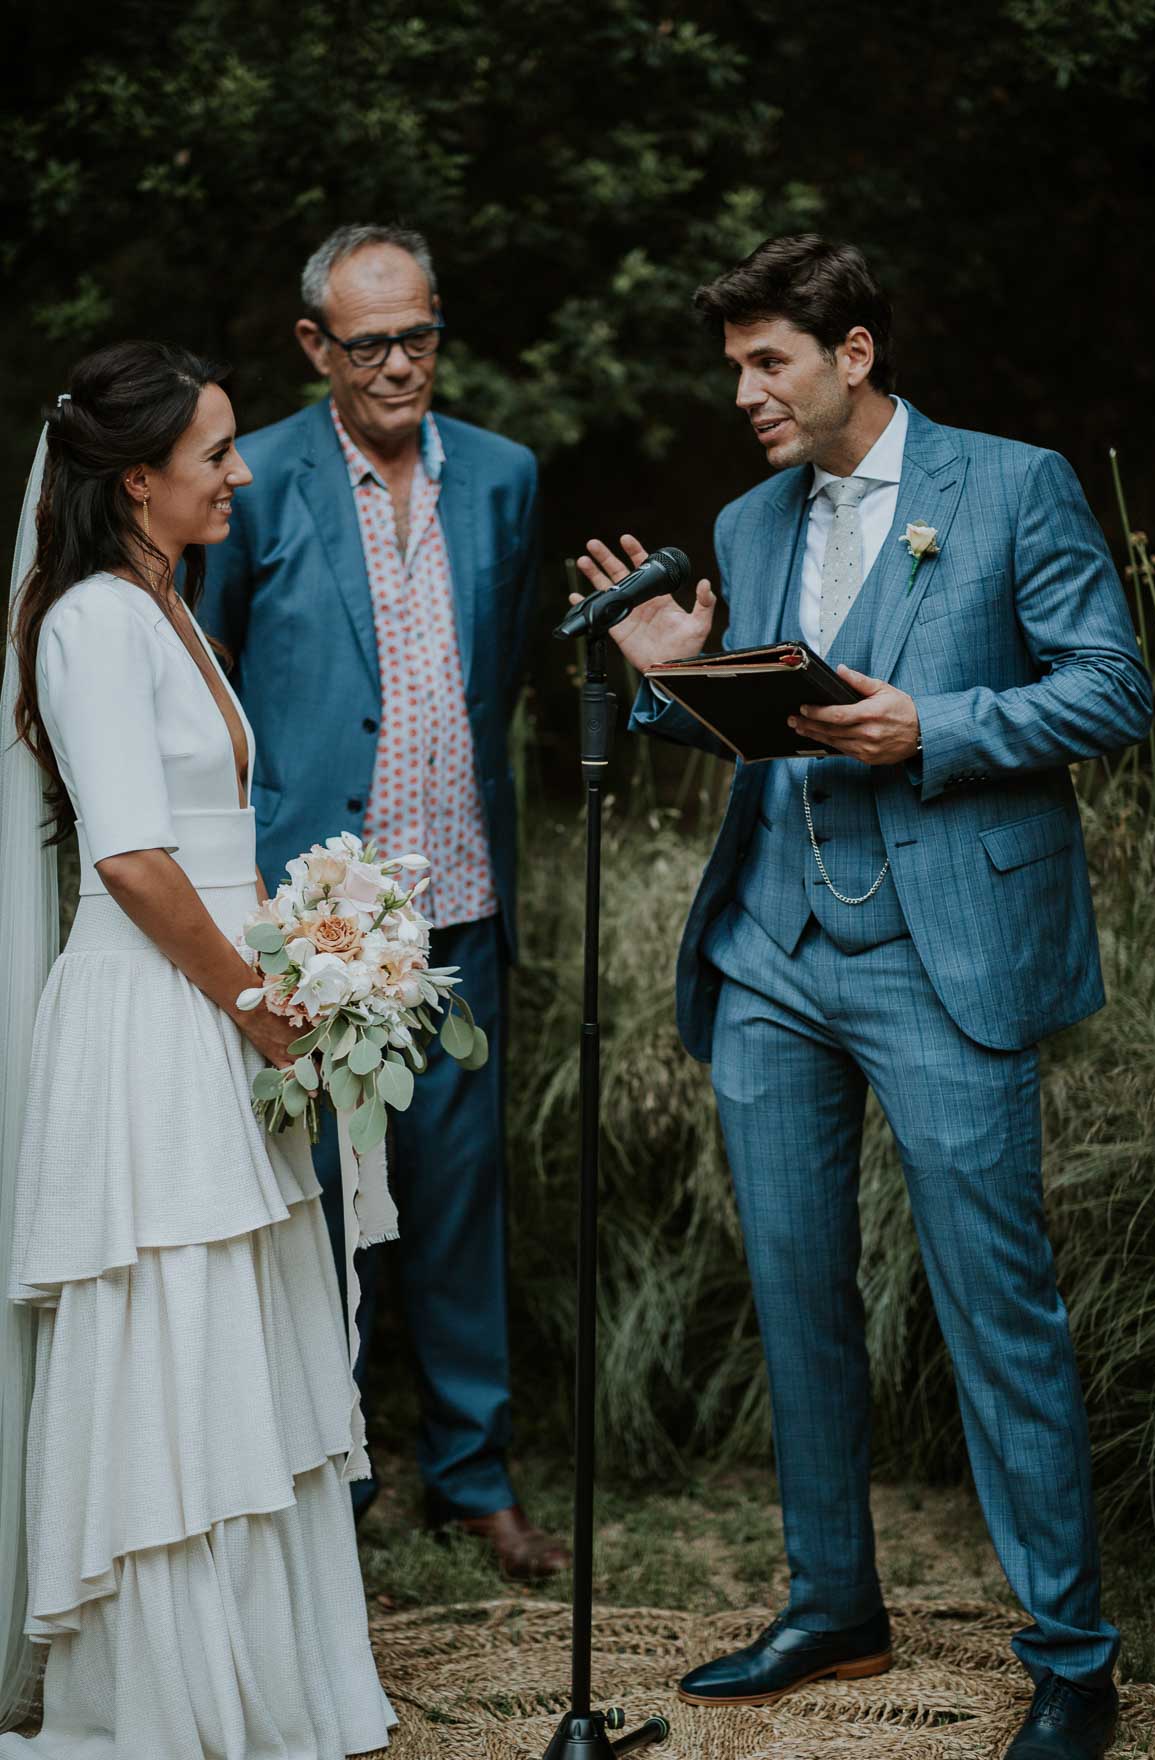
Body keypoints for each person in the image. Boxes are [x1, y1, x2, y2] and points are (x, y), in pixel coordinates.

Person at [572, 235, 1151, 1760]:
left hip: (943, 955)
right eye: (736, 368)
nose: (746, 393)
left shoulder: (1009, 486)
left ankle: (1071, 1658)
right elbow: (769, 728)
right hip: (770, 949)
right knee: (794, 1291)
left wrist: (939, 724)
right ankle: (833, 1600)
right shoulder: (747, 519)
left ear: (854, 353)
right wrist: (675, 678)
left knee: (995, 1305)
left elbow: (1112, 685)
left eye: (769, 363)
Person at [0, 341, 394, 1756]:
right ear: (132, 476)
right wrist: (253, 999)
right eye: (215, 452)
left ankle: (263, 1671)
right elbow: (131, 858)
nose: (238, 472)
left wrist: (318, 954)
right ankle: (166, 1696)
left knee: (236, 1337)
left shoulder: (168, 605)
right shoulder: (93, 622)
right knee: (173, 1335)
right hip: (162, 1013)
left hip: (218, 1002)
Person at [201, 223, 567, 1578]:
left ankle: (474, 1474)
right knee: (317, 1212)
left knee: (461, 1204)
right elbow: (213, 670)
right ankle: (325, 1469)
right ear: (316, 347)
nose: (402, 364)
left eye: (420, 335)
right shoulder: (260, 475)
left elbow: (504, 666)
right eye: (371, 344)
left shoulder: (506, 475)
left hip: (458, 908)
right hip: (315, 928)